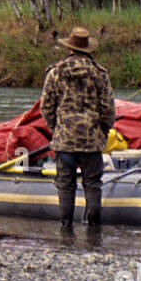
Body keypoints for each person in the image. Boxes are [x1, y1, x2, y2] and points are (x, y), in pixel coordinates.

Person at [41, 26, 115, 230]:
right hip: (91, 140)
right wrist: (104, 130)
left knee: (65, 185)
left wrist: (56, 127)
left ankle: (65, 228)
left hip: (64, 140)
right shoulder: (100, 74)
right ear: (88, 49)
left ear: (70, 48)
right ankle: (93, 229)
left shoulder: (55, 73)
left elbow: (45, 106)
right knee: (93, 184)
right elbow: (108, 108)